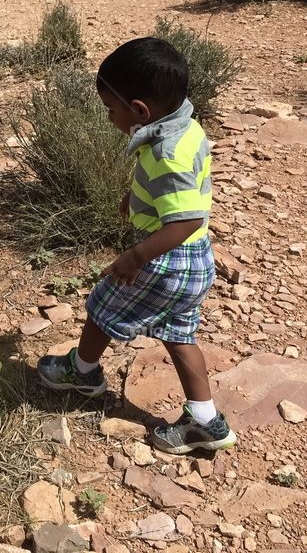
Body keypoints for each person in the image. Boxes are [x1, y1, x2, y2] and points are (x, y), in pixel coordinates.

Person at [36, 37, 237, 455]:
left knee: (101, 307)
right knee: (181, 336)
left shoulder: (167, 154)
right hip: (197, 259)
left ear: (140, 110)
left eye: (112, 109)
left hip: (167, 259)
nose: (109, 117)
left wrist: (135, 256)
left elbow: (184, 220)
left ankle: (83, 372)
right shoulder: (184, 124)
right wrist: (136, 196)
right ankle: (206, 421)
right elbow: (178, 198)